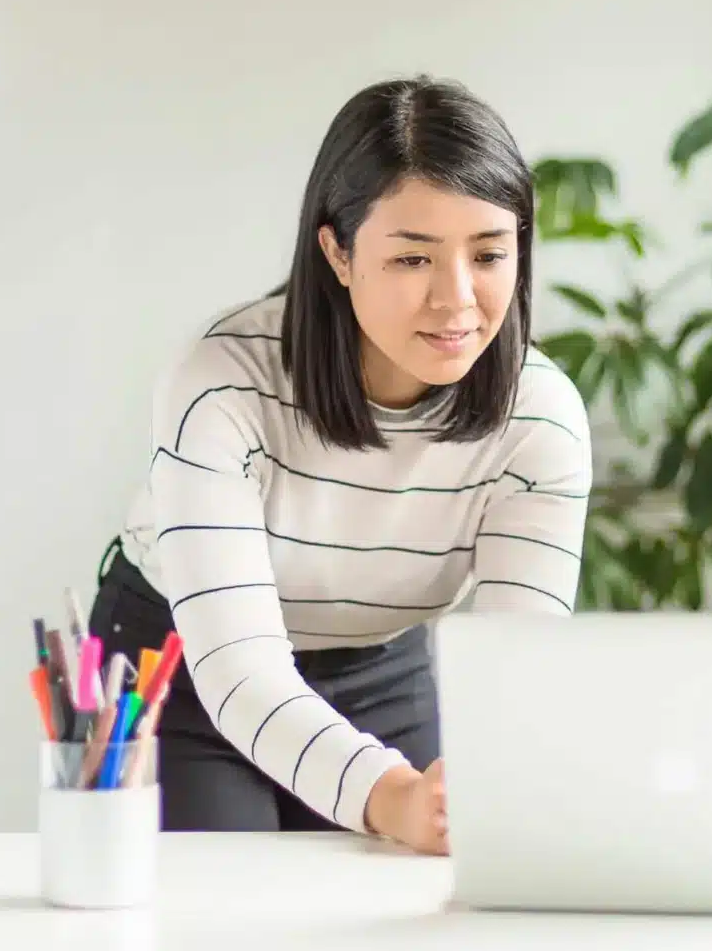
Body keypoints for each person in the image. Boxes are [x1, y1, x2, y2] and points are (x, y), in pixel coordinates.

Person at [87, 76, 590, 854]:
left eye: (490, 253)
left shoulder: (540, 418)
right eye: (414, 257)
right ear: (338, 251)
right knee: (221, 917)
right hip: (185, 671)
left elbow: (515, 671)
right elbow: (243, 675)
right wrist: (390, 797)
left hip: (382, 668)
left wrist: (470, 782)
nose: (457, 300)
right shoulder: (220, 383)